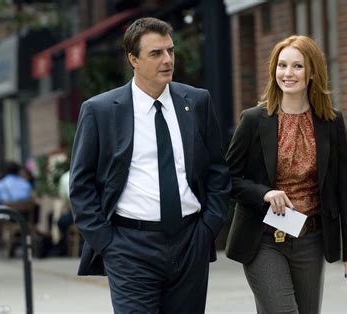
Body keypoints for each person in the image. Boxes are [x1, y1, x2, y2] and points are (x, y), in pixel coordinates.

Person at [69, 17, 231, 313]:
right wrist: (107, 243)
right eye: (156, 53)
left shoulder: (196, 102)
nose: (167, 59)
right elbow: (81, 185)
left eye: (170, 51)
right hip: (129, 246)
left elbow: (217, 171)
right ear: (134, 59)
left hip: (189, 241)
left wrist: (207, 228)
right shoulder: (100, 111)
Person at [225, 35, 347, 313]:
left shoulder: (331, 123)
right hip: (262, 238)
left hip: (310, 238)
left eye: (297, 66)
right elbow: (226, 178)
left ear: (312, 72)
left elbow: (345, 190)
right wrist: (264, 193)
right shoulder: (253, 120)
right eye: (282, 65)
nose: (287, 73)